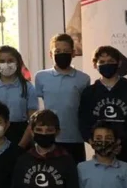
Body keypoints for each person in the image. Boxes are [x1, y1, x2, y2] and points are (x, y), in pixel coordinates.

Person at [79, 46, 127, 170]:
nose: (106, 64)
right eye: (102, 62)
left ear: (119, 63)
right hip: (101, 152)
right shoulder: (89, 92)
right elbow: (83, 122)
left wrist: (120, 140)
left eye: (110, 61)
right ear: (94, 65)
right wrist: (94, 141)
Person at [34, 34, 91, 164]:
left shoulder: (84, 78)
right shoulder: (41, 77)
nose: (62, 54)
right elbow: (37, 107)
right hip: (48, 136)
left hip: (74, 138)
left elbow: (85, 109)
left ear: (73, 53)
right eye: (57, 51)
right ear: (50, 54)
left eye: (66, 51)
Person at [0, 46, 37, 148]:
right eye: (2, 61)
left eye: (10, 60)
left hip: (20, 134)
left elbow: (33, 119)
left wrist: (21, 145)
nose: (6, 64)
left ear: (17, 63)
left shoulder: (27, 87)